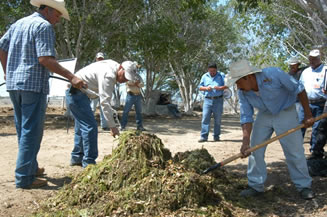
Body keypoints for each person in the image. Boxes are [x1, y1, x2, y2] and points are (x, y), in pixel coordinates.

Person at [0, 0, 85, 189]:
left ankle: (30, 166)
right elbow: (45, 59)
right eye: (57, 15)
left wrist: (8, 71)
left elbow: (2, 47)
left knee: (23, 128)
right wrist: (72, 77)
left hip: (14, 84)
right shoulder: (43, 26)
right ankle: (24, 178)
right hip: (32, 84)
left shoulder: (18, 23)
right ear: (47, 10)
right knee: (32, 131)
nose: (58, 20)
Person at [226, 59, 315, 200]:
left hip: (286, 111)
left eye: (238, 82)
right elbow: (246, 117)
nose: (237, 86)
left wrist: (308, 115)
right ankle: (255, 185)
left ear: (248, 77)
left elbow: (299, 89)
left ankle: (304, 186)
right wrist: (245, 141)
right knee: (254, 149)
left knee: (295, 151)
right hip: (264, 114)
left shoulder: (274, 74)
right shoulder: (243, 93)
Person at [66, 60, 137, 168]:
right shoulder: (108, 75)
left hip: (77, 93)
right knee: (90, 127)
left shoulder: (112, 65)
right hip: (76, 93)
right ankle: (89, 163)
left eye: (128, 78)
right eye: (125, 76)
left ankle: (76, 158)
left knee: (81, 127)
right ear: (121, 68)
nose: (125, 80)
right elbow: (105, 103)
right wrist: (113, 127)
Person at [299, 49, 327, 159]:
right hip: (305, 104)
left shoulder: (325, 70)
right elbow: (299, 87)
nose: (312, 61)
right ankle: (296, 150)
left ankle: (315, 151)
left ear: (319, 59)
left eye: (314, 58)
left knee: (317, 128)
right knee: (300, 126)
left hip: (320, 104)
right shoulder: (305, 72)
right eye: (310, 58)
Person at [198, 63, 228, 142]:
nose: (212, 73)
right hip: (207, 100)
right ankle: (204, 137)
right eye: (211, 71)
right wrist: (206, 88)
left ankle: (216, 136)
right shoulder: (204, 76)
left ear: (216, 69)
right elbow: (200, 87)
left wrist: (219, 88)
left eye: (214, 71)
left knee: (217, 119)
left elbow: (227, 85)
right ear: (208, 70)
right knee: (205, 118)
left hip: (218, 100)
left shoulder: (221, 75)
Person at [90, 52, 109, 130]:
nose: (100, 60)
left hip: (103, 91)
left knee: (103, 108)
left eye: (101, 58)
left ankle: (104, 126)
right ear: (96, 59)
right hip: (94, 91)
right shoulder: (92, 67)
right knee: (92, 108)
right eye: (99, 58)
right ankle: (90, 125)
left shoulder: (106, 68)